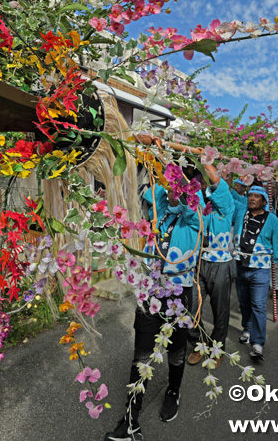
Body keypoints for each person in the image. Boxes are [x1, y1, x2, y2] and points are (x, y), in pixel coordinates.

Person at [105, 136, 202, 441]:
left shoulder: (193, 222)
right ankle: (130, 417)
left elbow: (184, 203)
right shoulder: (154, 214)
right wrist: (146, 147)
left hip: (178, 297)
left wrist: (181, 180)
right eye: (169, 185)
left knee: (175, 352)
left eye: (179, 186)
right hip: (149, 296)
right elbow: (142, 182)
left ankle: (173, 390)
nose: (173, 191)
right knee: (142, 355)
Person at [185, 160, 235, 368]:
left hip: (221, 265)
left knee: (220, 312)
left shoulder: (226, 202)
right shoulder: (199, 207)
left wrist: (202, 157)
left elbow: (215, 179)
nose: (205, 185)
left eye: (207, 183)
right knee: (190, 309)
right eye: (201, 183)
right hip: (199, 263)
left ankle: (217, 348)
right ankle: (199, 344)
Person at [233, 186, 278, 360]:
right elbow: (228, 193)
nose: (252, 198)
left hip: (261, 269)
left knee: (258, 305)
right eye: (250, 195)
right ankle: (247, 327)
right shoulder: (240, 212)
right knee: (244, 303)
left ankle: (258, 343)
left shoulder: (272, 220)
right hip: (240, 265)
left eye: (256, 196)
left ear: (264, 201)